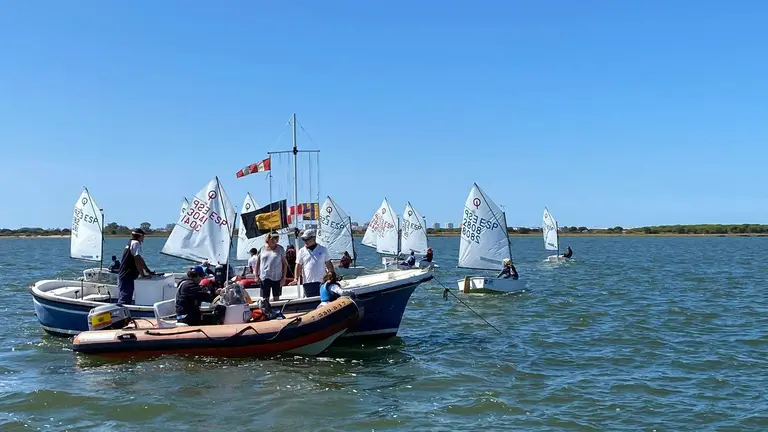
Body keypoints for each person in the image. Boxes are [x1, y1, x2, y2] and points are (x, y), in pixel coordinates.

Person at [291, 229, 334, 297]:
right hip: (308, 282)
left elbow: (328, 263)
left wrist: (331, 275)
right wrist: (296, 278)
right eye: (304, 239)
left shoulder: (323, 249)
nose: (305, 241)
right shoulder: (301, 251)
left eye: (307, 239)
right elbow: (298, 265)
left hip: (322, 281)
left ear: (314, 238)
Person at [116, 228, 153, 306]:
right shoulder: (136, 243)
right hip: (127, 275)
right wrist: (142, 274)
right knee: (124, 298)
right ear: (140, 236)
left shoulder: (131, 242)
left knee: (125, 295)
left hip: (125, 275)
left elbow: (140, 259)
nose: (144, 238)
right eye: (143, 236)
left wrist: (147, 270)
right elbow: (137, 260)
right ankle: (122, 316)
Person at [254, 232, 287, 301]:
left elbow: (284, 264)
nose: (275, 239)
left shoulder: (280, 249)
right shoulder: (262, 249)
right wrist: (256, 276)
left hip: (277, 277)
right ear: (268, 239)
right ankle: (266, 310)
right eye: (273, 238)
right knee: (265, 299)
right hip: (265, 277)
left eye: (277, 237)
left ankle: (277, 310)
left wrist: (284, 277)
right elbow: (257, 264)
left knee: (276, 297)